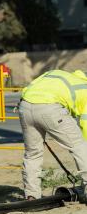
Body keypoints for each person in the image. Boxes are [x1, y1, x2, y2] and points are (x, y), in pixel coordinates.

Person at [19, 69, 87, 200]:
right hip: (51, 108)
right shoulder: (85, 88)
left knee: (32, 153)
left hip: (25, 106)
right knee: (79, 146)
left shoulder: (58, 75)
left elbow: (29, 87)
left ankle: (32, 195)